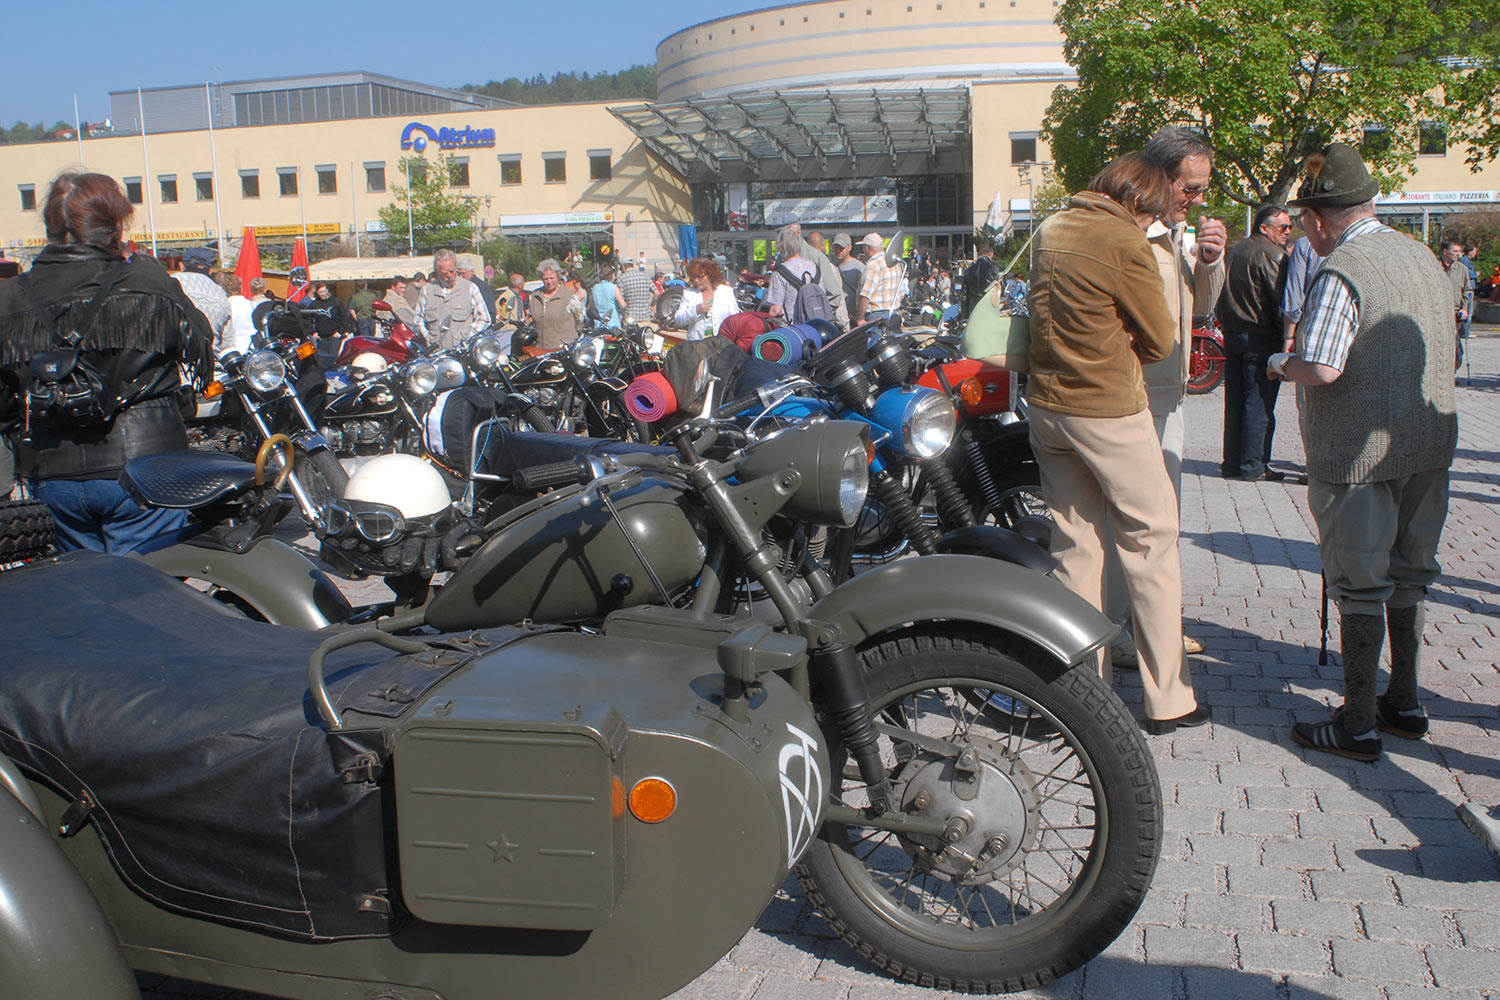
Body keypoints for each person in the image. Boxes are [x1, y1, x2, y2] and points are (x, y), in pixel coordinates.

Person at [1267, 142, 1458, 762]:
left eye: (1304, 221)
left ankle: (1357, 722)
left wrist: (1277, 363)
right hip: (1427, 446)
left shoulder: (1342, 268)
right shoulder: (1419, 253)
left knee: (1359, 584)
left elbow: (1321, 367)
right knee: (1410, 573)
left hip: (1361, 455)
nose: (1303, 232)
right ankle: (1404, 702)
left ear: (1321, 218)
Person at [1024, 153, 1205, 734]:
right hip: (1107, 409)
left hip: (1048, 407)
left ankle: (1083, 696)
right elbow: (1160, 341)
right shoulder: (1124, 239)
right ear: (1135, 200)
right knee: (1152, 540)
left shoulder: (1054, 226)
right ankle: (1169, 699)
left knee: (1076, 548)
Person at [0, 172, 213, 553]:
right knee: (151, 597)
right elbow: (199, 339)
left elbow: (3, 403)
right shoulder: (145, 278)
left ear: (51, 224)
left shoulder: (10, 296)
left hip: (51, 473)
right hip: (145, 468)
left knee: (93, 602)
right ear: (114, 224)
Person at [1106, 126, 1227, 669]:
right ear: (1160, 177)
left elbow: (1201, 309)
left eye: (1203, 189)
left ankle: (1147, 629)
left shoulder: (1175, 233)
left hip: (1169, 395)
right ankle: (1115, 637)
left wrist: (1209, 262)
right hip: (1132, 399)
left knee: (1161, 521)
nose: (1198, 200)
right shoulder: (1129, 229)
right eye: (1190, 188)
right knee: (1132, 525)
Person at [1218, 203, 1292, 481]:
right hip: (1260, 335)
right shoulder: (1272, 254)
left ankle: (1232, 463)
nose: (1287, 232)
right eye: (1283, 227)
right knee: (1258, 403)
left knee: (1235, 401)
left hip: (1233, 333)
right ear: (1264, 227)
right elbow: (1280, 300)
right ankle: (1253, 464)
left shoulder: (1236, 250)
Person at [414, 248, 488, 351]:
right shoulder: (427, 290)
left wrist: (469, 338)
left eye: (452, 271)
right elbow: (418, 320)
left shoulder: (470, 288)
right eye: (444, 273)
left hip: (462, 353)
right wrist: (428, 338)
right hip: (436, 354)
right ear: (437, 272)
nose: (449, 276)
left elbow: (484, 318)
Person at [671, 257, 739, 341]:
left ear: (710, 275)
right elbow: (678, 319)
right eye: (693, 278)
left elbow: (736, 319)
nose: (696, 281)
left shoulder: (726, 291)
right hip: (697, 346)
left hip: (722, 345)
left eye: (700, 277)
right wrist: (696, 310)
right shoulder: (689, 293)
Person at [172, 246, 230, 344]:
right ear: (210, 270)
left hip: (177, 353)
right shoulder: (221, 294)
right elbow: (228, 339)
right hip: (211, 354)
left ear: (181, 266)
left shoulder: (173, 282)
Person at [801, 227, 851, 331]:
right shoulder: (829, 267)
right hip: (828, 321)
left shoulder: (802, 266)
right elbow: (837, 296)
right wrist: (844, 324)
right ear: (823, 247)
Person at [765, 226, 819, 323]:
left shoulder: (779, 273)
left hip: (793, 328)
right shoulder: (814, 267)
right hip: (815, 325)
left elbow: (776, 309)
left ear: (781, 248)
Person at [530, 258, 581, 351]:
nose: (549, 282)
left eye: (551, 278)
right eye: (546, 279)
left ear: (558, 277)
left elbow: (579, 320)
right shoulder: (534, 297)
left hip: (563, 350)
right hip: (541, 350)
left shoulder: (569, 295)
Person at [856, 232, 904, 324]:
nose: (863, 250)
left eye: (863, 247)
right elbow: (902, 293)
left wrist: (859, 317)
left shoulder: (873, 265)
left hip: (876, 315)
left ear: (869, 248)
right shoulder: (895, 263)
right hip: (893, 313)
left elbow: (865, 296)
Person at [1440, 238, 1473, 368]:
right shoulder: (1435, 266)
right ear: (1446, 252)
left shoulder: (1461, 269)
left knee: (1454, 345)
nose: (1458, 254)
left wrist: (1464, 308)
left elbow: (1467, 290)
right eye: (1455, 251)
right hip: (1439, 311)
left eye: (1459, 251)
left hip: (1455, 313)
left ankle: (1452, 371)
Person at [962, 240, 1000, 321]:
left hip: (974, 309)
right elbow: (1001, 289)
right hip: (990, 307)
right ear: (991, 254)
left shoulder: (969, 270)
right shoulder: (995, 268)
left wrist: (964, 316)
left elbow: (964, 295)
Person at [832, 232, 865, 319]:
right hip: (838, 315)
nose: (838, 251)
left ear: (849, 248)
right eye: (836, 247)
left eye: (841, 248)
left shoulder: (859, 267)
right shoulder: (832, 266)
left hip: (854, 315)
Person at [223, 274, 258, 356]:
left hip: (230, 351)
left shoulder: (224, 306)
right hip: (252, 348)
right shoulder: (253, 305)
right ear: (241, 288)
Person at [590, 262, 628, 330]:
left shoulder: (595, 288)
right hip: (613, 324)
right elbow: (622, 305)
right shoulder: (613, 288)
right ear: (611, 275)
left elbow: (592, 306)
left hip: (598, 324)